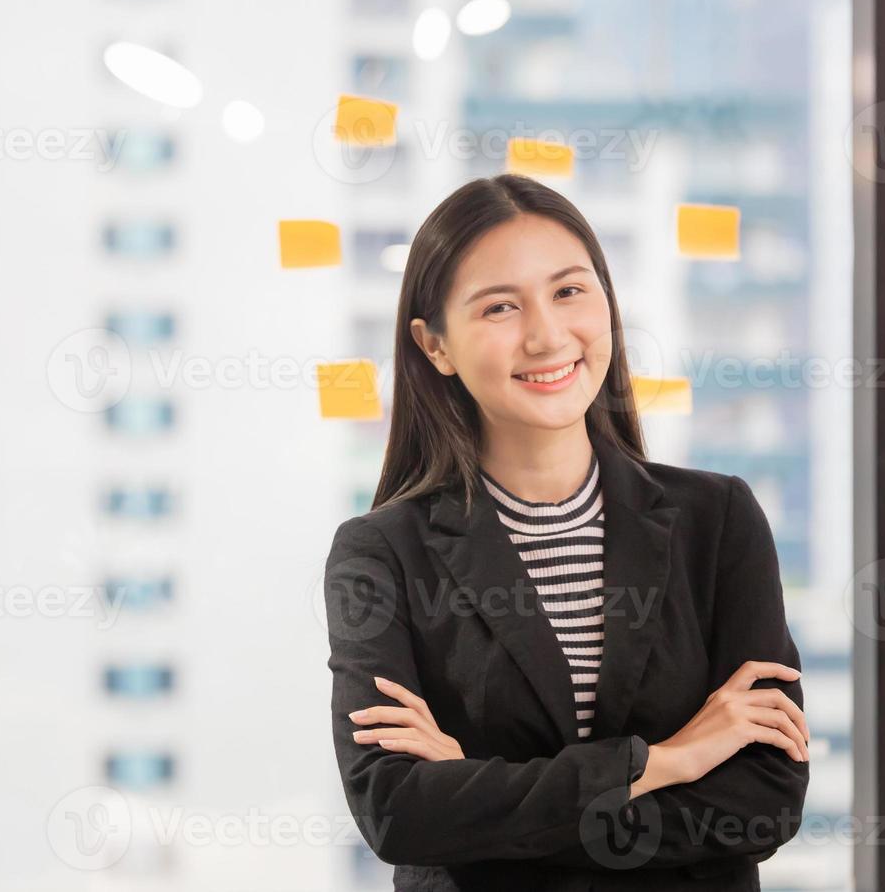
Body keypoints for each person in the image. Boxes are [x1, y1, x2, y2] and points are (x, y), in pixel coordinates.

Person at [323, 174, 810, 891]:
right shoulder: (384, 555)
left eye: (570, 291)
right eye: (499, 307)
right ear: (435, 347)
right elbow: (399, 813)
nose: (547, 335)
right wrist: (664, 761)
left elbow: (763, 803)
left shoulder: (718, 522)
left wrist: (478, 799)